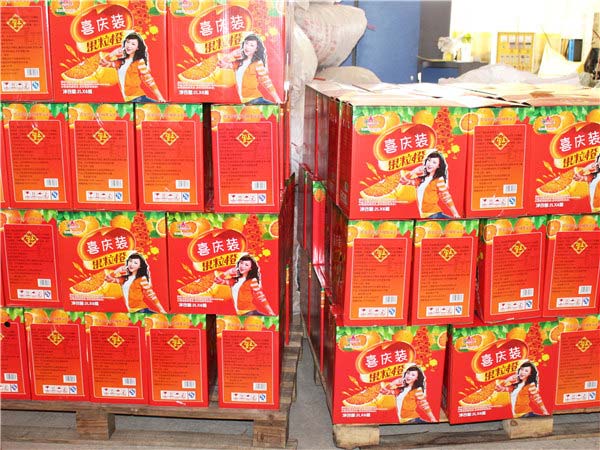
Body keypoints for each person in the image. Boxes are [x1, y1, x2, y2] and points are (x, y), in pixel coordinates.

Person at [100, 32, 166, 103]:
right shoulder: (120, 62)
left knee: (157, 108)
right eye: (128, 42)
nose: (129, 46)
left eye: (133, 44)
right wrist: (113, 53)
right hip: (129, 100)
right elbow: (102, 63)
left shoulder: (139, 61)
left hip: (138, 98)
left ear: (137, 48)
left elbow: (149, 80)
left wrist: (160, 97)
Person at [218, 33, 282, 105]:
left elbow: (266, 81)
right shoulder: (238, 63)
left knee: (272, 109)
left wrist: (277, 98)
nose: (247, 47)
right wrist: (233, 53)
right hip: (243, 101)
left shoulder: (257, 63)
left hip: (254, 99)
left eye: (251, 45)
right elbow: (221, 64)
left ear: (256, 49)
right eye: (246, 43)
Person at [399, 150, 461, 219]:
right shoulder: (420, 180)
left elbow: (446, 197)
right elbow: (402, 181)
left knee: (453, 224)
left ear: (438, 166)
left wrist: (455, 214)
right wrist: (414, 171)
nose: (430, 164)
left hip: (434, 215)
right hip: (425, 216)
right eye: (429, 160)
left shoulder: (438, 179)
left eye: (434, 162)